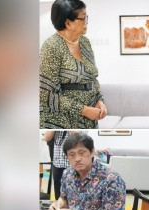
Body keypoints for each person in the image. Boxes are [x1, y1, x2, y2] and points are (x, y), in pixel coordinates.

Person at [48, 133, 126, 210]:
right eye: (72, 155)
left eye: (82, 153)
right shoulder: (68, 174)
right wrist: (58, 204)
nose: (77, 159)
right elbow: (64, 198)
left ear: (92, 152)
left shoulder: (111, 179)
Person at [40, 0, 107, 129]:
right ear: (68, 23)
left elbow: (92, 77)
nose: (86, 21)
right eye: (83, 17)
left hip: (89, 120)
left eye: (86, 17)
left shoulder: (84, 42)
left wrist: (99, 100)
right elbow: (46, 94)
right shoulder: (51, 47)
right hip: (62, 121)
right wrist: (84, 110)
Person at [43, 131, 70, 200]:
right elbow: (46, 138)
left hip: (71, 164)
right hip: (57, 162)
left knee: (71, 192)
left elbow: (78, 135)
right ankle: (59, 209)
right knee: (58, 193)